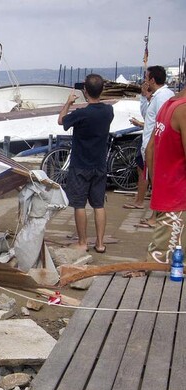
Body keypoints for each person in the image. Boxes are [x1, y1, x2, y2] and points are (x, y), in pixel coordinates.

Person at [57, 74, 114, 253]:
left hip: (80, 164)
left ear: (85, 91)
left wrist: (68, 103)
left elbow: (61, 120)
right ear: (102, 90)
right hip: (99, 164)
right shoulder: (108, 111)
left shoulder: (81, 114)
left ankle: (82, 242)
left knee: (79, 204)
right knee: (98, 205)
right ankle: (100, 243)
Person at [126, 65, 174, 221]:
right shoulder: (158, 96)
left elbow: (161, 122)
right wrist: (144, 97)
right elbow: (149, 115)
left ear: (152, 80)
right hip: (150, 143)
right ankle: (155, 214)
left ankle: (155, 216)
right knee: (152, 178)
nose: (145, 81)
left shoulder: (162, 97)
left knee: (156, 180)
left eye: (146, 78)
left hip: (155, 144)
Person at [145, 88, 186, 263]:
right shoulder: (183, 109)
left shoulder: (168, 106)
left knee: (162, 259)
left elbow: (150, 149)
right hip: (179, 199)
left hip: (167, 192)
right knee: (165, 266)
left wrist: (157, 186)